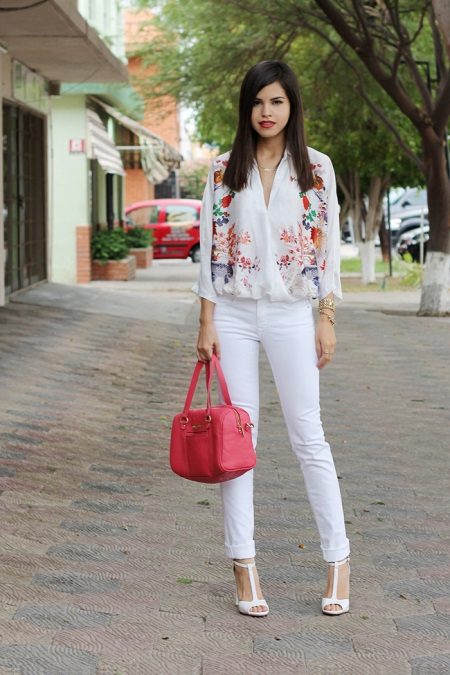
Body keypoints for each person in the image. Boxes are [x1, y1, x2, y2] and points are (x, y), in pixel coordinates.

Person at [193, 60, 350, 618]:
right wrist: (207, 321)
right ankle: (243, 563)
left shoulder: (317, 169)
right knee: (239, 442)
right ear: (247, 107)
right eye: (258, 101)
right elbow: (210, 248)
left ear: (292, 107)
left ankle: (338, 559)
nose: (267, 112)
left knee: (309, 435)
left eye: (277, 101)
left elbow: (328, 248)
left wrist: (326, 316)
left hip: (291, 313)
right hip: (234, 312)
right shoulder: (222, 170)